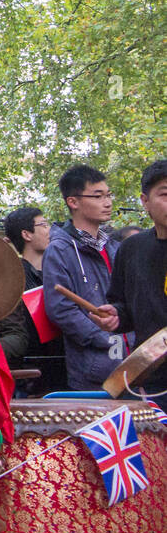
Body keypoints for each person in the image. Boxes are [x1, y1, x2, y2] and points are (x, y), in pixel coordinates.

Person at [42, 165, 128, 391]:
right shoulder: (59, 250)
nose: (107, 202)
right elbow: (61, 309)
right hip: (93, 369)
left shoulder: (115, 247)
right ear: (73, 201)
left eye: (109, 195)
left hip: (131, 361)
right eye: (98, 196)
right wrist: (107, 339)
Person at [94, 161, 167, 394]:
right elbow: (123, 305)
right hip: (149, 376)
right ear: (145, 201)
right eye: (165, 194)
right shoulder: (132, 249)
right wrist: (116, 316)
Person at [0, 206, 65, 394]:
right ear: (26, 234)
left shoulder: (60, 272)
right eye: (43, 224)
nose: (50, 230)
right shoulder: (11, 277)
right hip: (29, 374)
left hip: (64, 367)